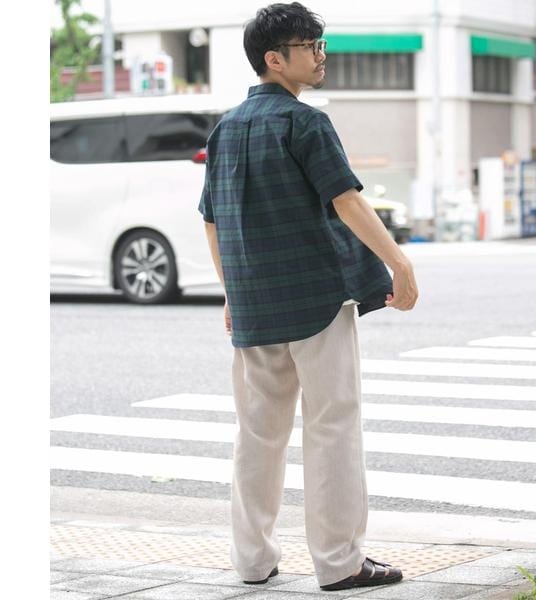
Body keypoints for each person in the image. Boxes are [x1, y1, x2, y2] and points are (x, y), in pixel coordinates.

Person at [198, 2, 419, 591]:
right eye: (310, 46)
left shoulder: (225, 128)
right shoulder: (305, 123)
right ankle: (339, 562)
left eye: (321, 44)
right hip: (318, 299)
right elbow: (347, 200)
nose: (322, 56)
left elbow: (212, 221)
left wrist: (231, 291)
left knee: (257, 435)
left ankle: (252, 560)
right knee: (333, 428)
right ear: (275, 59)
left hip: (254, 307)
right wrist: (399, 262)